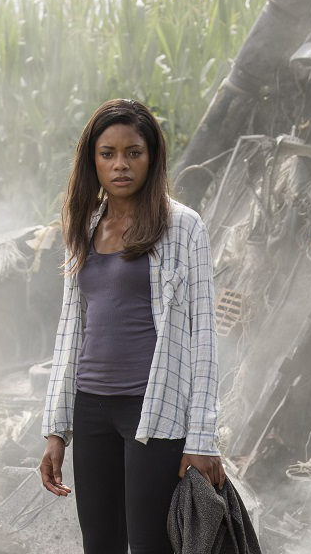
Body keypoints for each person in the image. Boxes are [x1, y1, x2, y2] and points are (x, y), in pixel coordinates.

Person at [39, 98, 225, 554]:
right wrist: (56, 430)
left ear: (152, 157)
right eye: (108, 154)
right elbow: (70, 332)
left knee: (150, 545)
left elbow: (204, 336)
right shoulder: (85, 225)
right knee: (99, 544)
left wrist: (202, 439)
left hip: (153, 410)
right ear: (93, 161)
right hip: (91, 409)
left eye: (133, 152)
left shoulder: (182, 227)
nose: (120, 164)